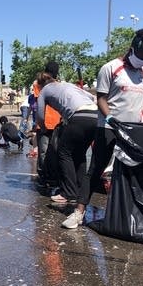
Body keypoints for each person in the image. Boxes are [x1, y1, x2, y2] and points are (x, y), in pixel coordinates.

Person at [62, 28, 143, 229]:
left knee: (132, 173)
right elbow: (101, 98)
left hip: (134, 130)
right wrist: (110, 118)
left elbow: (142, 104)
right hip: (108, 128)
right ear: (132, 49)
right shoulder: (110, 68)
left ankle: (129, 214)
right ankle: (78, 212)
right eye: (141, 56)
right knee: (96, 169)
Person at [36, 73, 98, 204]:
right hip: (95, 116)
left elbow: (40, 115)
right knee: (79, 154)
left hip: (78, 117)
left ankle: (68, 192)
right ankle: (80, 189)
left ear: (41, 83)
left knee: (63, 152)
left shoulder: (45, 90)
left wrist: (43, 128)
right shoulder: (67, 84)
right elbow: (93, 97)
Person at [33, 61, 62, 186]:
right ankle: (44, 176)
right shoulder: (39, 84)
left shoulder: (59, 85)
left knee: (51, 152)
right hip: (45, 122)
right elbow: (38, 100)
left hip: (55, 122)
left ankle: (51, 176)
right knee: (45, 152)